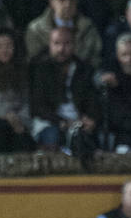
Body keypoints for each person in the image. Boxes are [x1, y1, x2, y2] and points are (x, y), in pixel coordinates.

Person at [27, 25, 99, 153]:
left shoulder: (84, 69)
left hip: (79, 121)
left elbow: (92, 99)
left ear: (74, 45)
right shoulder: (40, 69)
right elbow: (37, 105)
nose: (61, 49)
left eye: (67, 43)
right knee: (51, 136)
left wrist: (90, 117)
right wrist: (62, 122)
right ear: (49, 44)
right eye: (56, 43)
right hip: (50, 122)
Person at [24, 0, 102, 68]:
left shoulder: (88, 27)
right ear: (52, 2)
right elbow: (34, 61)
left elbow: (95, 58)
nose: (67, 4)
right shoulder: (36, 29)